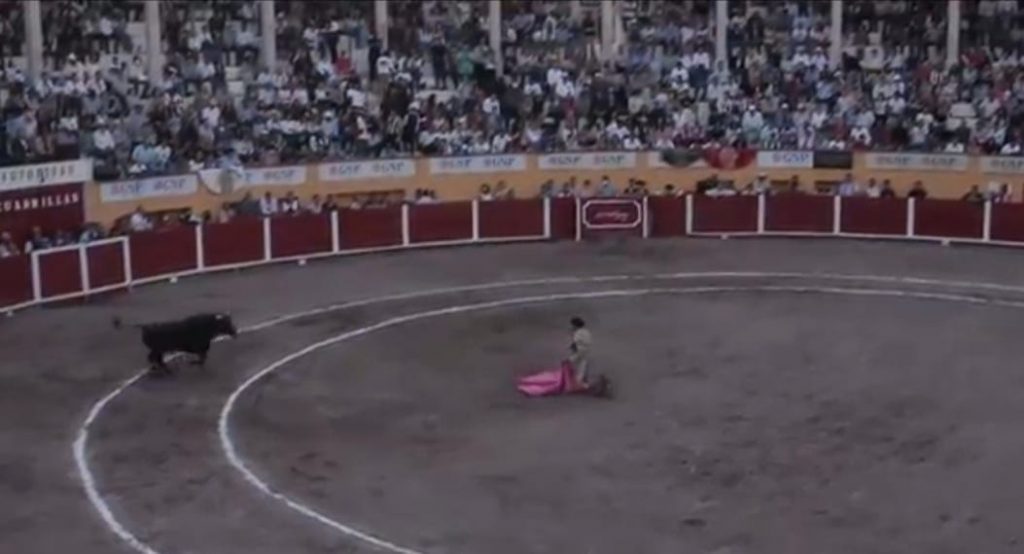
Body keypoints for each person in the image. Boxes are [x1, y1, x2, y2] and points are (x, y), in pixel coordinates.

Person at [568, 317, 592, 387]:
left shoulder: (578, 333)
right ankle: (584, 383)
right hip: (585, 353)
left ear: (575, 325)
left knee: (578, 368)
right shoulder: (586, 332)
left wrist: (571, 357)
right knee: (583, 367)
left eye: (572, 325)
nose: (571, 327)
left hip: (580, 353)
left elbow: (575, 345)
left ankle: (579, 384)